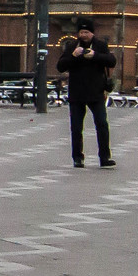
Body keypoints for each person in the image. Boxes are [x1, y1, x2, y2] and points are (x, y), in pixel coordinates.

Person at [48, 20, 116, 168]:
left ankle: (105, 157)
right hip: (77, 93)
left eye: (86, 32)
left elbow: (112, 61)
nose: (83, 35)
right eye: (81, 32)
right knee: (76, 127)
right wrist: (73, 56)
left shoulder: (100, 46)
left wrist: (95, 55)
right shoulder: (72, 46)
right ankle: (78, 157)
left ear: (92, 33)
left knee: (102, 124)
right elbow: (60, 66)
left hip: (96, 93)